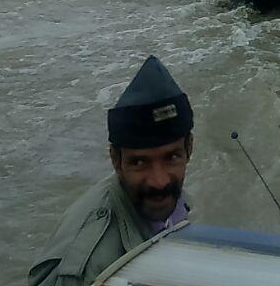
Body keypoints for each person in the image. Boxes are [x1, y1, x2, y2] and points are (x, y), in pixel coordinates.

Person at [29, 55, 195, 286]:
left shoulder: (172, 202)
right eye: (139, 163)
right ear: (115, 160)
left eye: (172, 157)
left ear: (189, 149)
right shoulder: (89, 269)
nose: (158, 181)